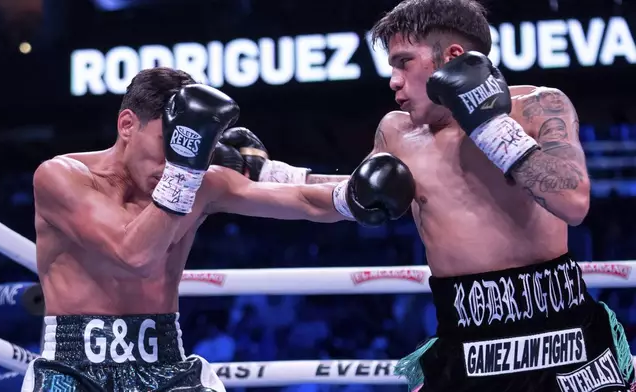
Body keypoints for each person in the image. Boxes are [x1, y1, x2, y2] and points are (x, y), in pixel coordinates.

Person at [219, 1, 635, 391]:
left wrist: (488, 125)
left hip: (564, 343)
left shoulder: (538, 107)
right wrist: (266, 174)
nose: (393, 80)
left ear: (452, 58)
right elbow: (355, 193)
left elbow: (574, 202)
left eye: (404, 62)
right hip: (466, 349)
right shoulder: (398, 132)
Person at [23, 67, 416, 392]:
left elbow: (303, 199)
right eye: (169, 143)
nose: (175, 160)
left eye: (190, 147)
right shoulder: (61, 177)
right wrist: (185, 167)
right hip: (72, 368)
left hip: (166, 365)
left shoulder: (199, 181)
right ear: (128, 124)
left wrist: (359, 196)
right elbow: (133, 254)